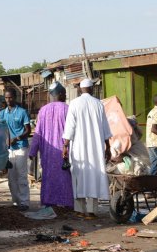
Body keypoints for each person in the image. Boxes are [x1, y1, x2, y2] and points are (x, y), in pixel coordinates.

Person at [62, 78, 111, 218]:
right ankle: (91, 211)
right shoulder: (98, 104)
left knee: (79, 176)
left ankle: (79, 210)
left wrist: (65, 145)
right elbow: (105, 128)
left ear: (80, 89)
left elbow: (69, 128)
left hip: (78, 148)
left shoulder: (74, 104)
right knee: (94, 176)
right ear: (91, 89)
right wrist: (107, 147)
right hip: (95, 148)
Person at [28, 82, 73, 216]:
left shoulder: (43, 110)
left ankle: (49, 203)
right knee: (65, 178)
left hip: (47, 153)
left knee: (48, 178)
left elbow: (38, 133)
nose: (65, 96)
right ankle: (66, 205)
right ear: (59, 94)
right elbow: (72, 131)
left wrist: (32, 151)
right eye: (64, 94)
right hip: (64, 152)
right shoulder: (67, 109)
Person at [0, 88, 31, 211]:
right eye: (6, 98)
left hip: (21, 146)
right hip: (8, 148)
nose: (8, 100)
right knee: (11, 178)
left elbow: (28, 130)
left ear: (15, 97)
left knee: (21, 175)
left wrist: (16, 138)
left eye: (10, 97)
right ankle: (16, 201)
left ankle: (25, 202)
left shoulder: (22, 112)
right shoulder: (2, 113)